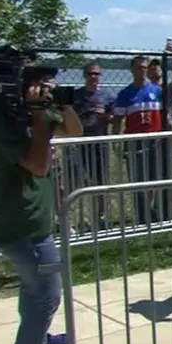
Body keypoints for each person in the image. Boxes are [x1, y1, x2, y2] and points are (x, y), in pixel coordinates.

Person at [0, 66, 84, 344]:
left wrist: (62, 104)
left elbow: (75, 131)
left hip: (33, 222)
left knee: (33, 291)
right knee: (47, 294)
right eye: (42, 85)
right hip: (21, 226)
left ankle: (38, 337)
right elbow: (39, 166)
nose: (47, 89)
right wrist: (40, 116)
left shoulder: (32, 115)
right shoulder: (1, 123)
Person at [111, 55, 166, 224]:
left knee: (157, 178)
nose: (142, 71)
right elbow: (118, 120)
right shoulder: (125, 94)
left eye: (145, 67)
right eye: (139, 68)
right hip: (135, 143)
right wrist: (116, 141)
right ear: (132, 70)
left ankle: (156, 212)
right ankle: (142, 217)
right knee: (139, 180)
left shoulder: (158, 91)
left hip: (156, 141)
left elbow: (166, 115)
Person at [72, 62, 113, 227]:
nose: (94, 77)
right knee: (74, 180)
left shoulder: (107, 96)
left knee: (100, 181)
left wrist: (105, 116)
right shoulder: (76, 96)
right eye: (90, 74)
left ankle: (100, 216)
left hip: (100, 142)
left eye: (97, 74)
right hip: (77, 143)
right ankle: (76, 218)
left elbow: (114, 117)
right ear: (84, 76)